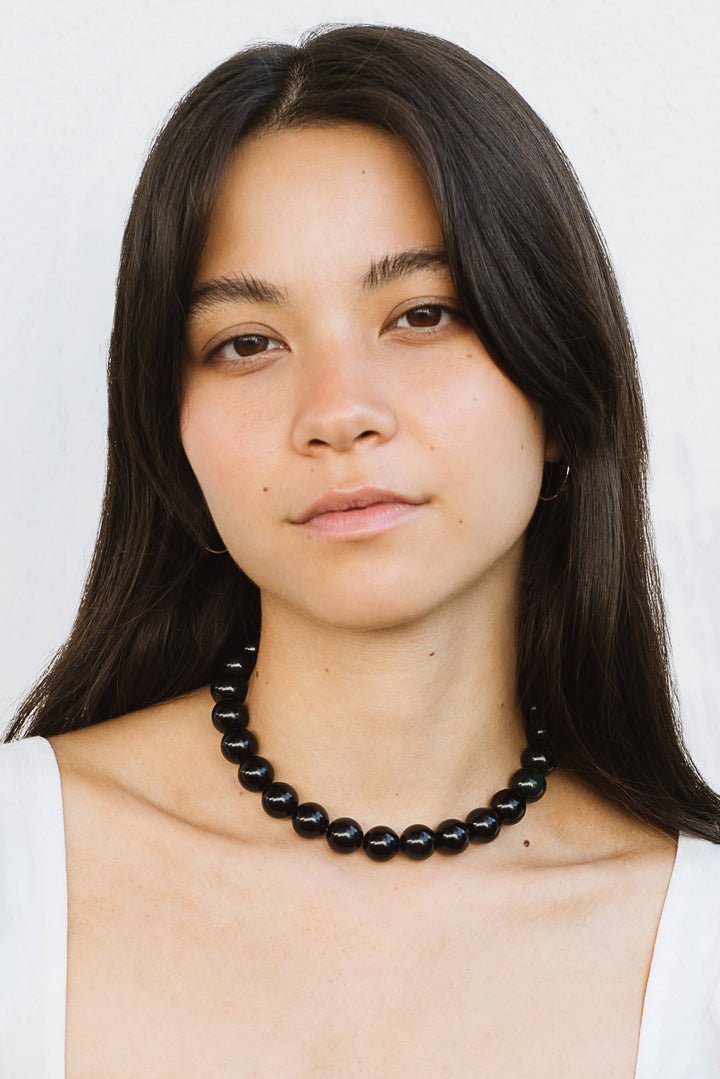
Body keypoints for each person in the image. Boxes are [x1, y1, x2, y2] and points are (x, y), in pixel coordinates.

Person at [1, 21, 719, 1078]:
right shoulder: (21, 861)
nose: (338, 413)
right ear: (172, 432)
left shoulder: (696, 943)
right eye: (247, 343)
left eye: (423, 313)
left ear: (560, 387)